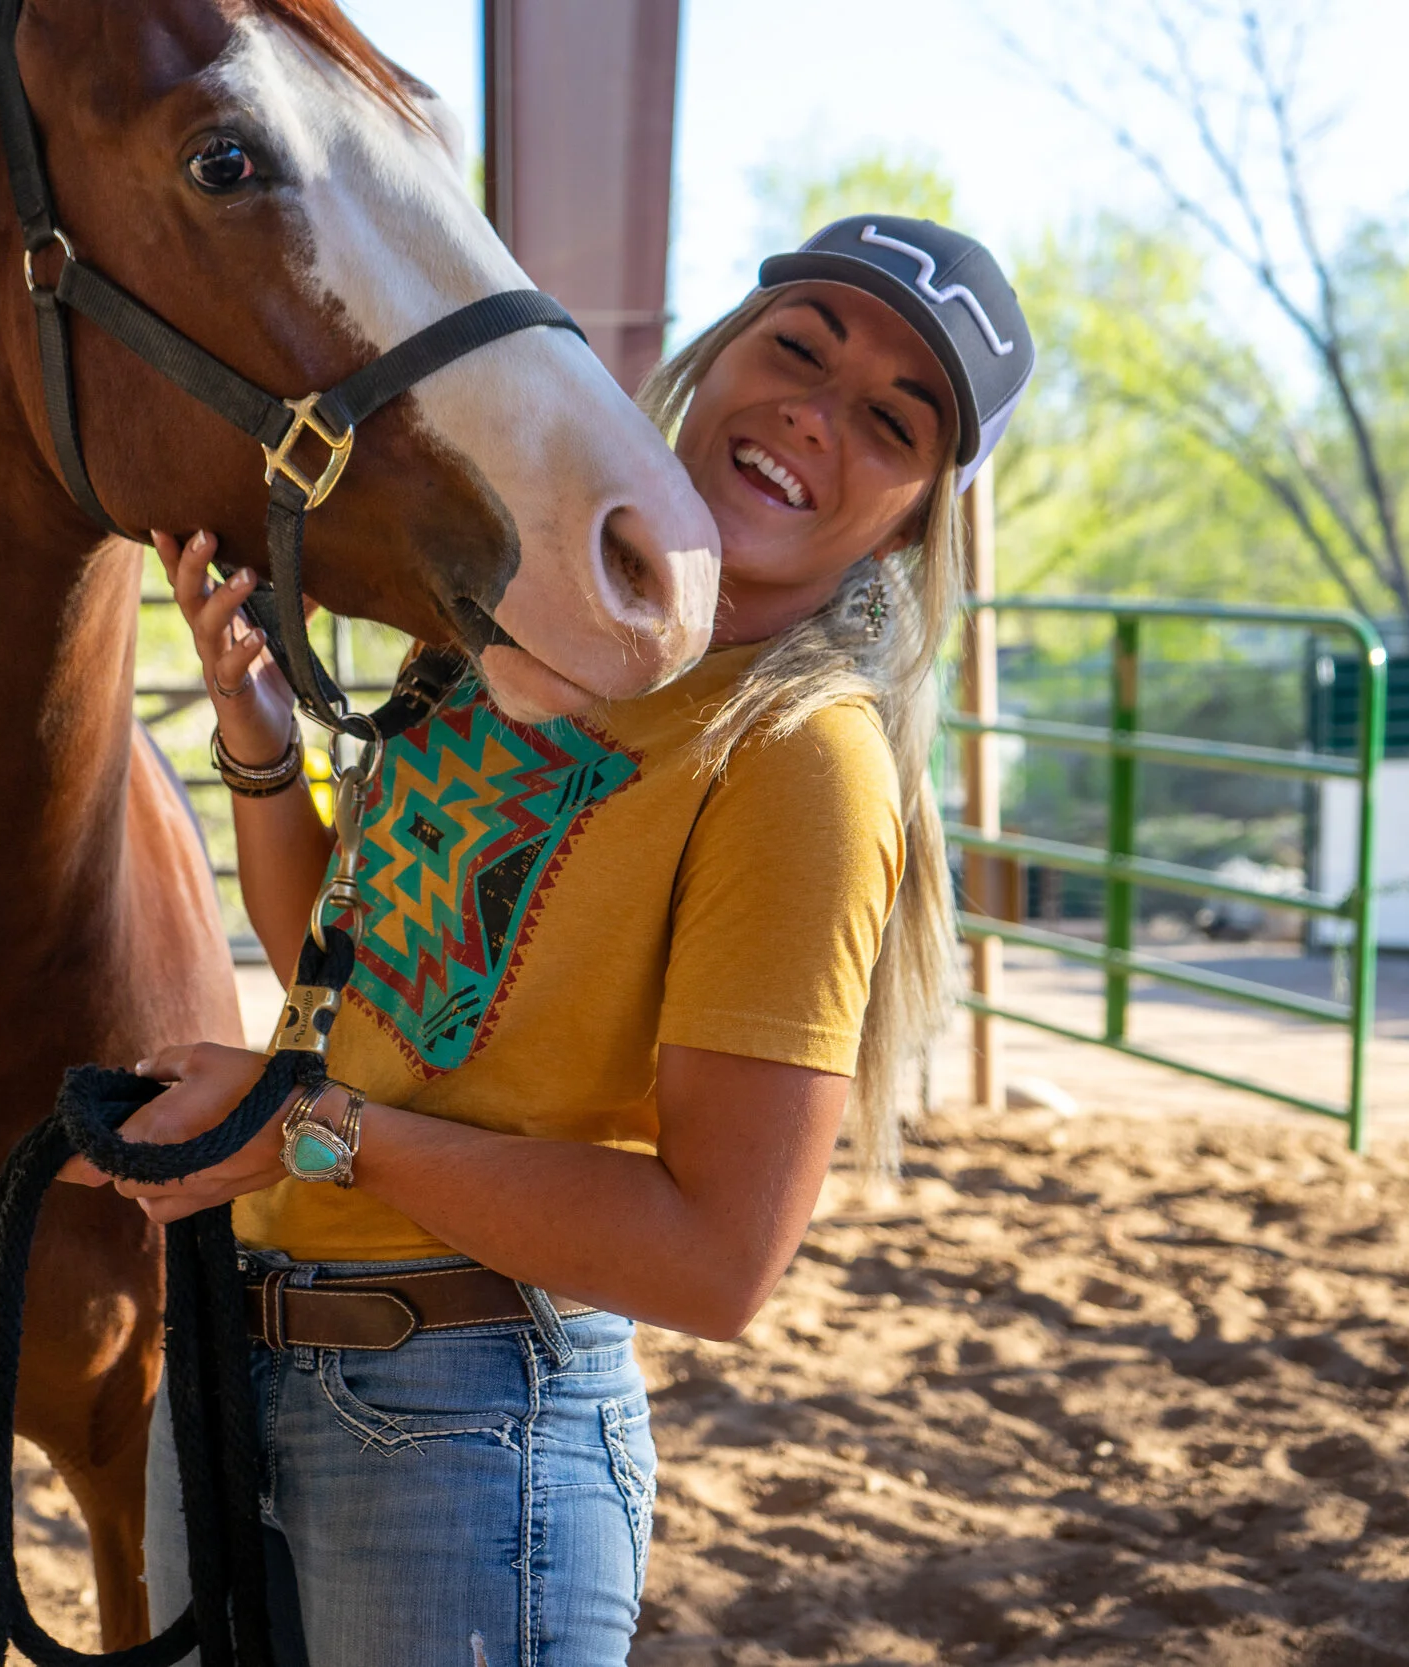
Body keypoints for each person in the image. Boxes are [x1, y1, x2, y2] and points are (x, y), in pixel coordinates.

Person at [62, 214, 1034, 1666]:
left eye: (891, 421)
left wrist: (305, 1132)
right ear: (716, 361)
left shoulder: (800, 760)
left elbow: (719, 1259)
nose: (812, 417)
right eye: (799, 348)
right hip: (238, 1353)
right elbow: (352, 969)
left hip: (469, 1431)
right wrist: (261, 746)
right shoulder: (513, 622)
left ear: (908, 518)